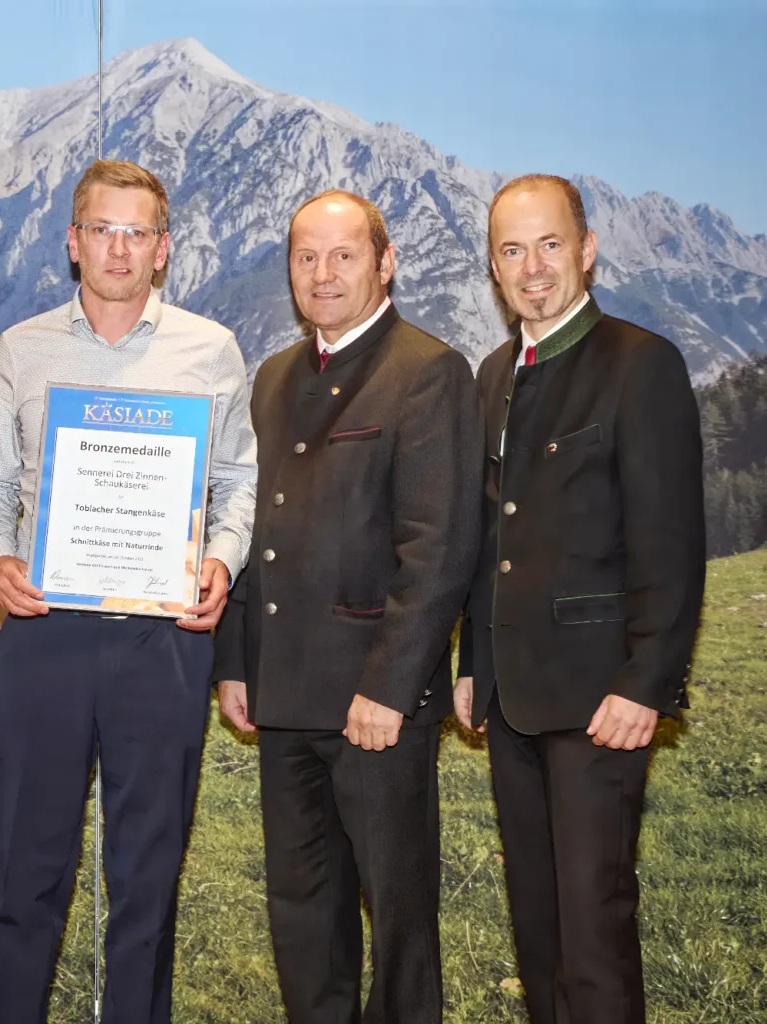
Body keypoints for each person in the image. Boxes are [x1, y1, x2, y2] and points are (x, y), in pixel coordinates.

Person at [0, 159, 257, 1024]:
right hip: (44, 632)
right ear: (73, 242)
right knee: (25, 874)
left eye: (138, 233)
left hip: (161, 641)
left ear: (163, 250)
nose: (119, 248)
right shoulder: (23, 346)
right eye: (102, 229)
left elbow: (237, 480)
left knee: (146, 880)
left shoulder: (210, 349)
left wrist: (224, 562)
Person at [213, 190, 481, 1024]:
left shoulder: (428, 371)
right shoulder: (274, 377)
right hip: (284, 694)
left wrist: (391, 688)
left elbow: (437, 548)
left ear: (385, 262)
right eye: (305, 257)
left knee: (399, 919)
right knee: (303, 913)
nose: (322, 274)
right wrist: (234, 662)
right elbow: (248, 526)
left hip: (376, 703)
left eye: (343, 256)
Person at [456, 174, 705, 1024]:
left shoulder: (642, 364)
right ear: (493, 267)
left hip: (603, 699)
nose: (532, 269)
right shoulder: (495, 375)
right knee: (538, 930)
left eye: (549, 245)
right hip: (514, 703)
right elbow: (492, 540)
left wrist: (647, 682)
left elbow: (671, 544)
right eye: (512, 251)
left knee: (594, 933)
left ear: (588, 250)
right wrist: (472, 666)